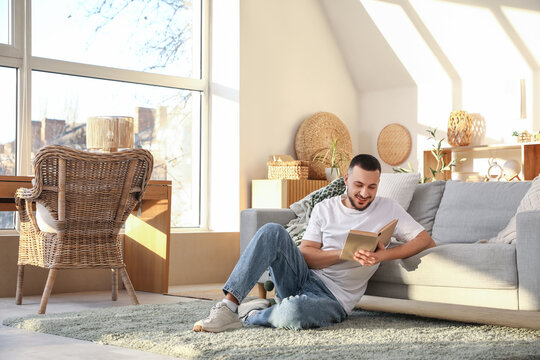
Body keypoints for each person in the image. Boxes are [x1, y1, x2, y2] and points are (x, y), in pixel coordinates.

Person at [193, 154, 436, 332]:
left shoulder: (388, 208)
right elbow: (306, 254)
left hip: (334, 300)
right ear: (346, 180)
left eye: (372, 187)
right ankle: (228, 307)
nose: (364, 193)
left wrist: (382, 256)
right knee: (271, 231)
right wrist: (344, 254)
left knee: (293, 313)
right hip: (303, 278)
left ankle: (253, 314)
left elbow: (425, 240)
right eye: (358, 185)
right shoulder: (324, 208)